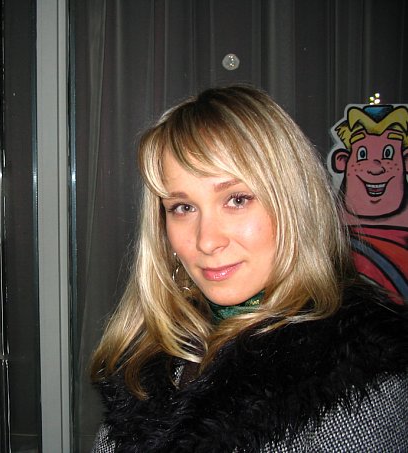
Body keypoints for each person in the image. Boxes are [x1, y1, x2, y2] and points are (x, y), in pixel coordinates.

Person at [90, 85, 408, 452]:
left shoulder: (356, 378)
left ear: (293, 206)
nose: (207, 240)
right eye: (183, 207)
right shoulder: (151, 362)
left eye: (237, 199)